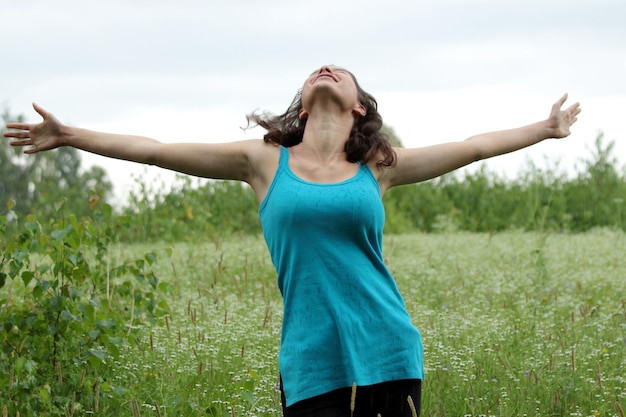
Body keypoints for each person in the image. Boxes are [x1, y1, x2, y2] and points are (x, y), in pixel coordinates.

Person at [4, 65, 581, 417]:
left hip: (388, 348)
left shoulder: (379, 166)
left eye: (338, 69)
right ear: (304, 102)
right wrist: (71, 134)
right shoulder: (261, 161)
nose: (324, 68)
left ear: (358, 105)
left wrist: (545, 128)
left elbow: (474, 145)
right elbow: (156, 149)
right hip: (308, 359)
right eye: (315, 70)